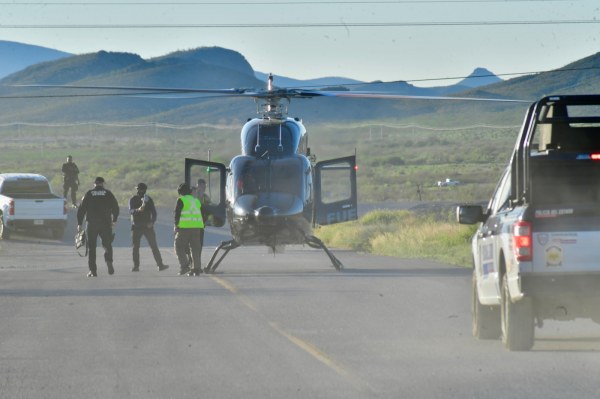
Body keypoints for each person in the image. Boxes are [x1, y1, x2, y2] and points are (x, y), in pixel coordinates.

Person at [77, 177, 119, 277]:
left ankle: (93, 271)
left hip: (92, 224)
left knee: (92, 248)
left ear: (94, 184)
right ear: (103, 184)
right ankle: (109, 260)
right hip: (105, 223)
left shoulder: (89, 193)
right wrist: (114, 219)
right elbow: (115, 207)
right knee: (107, 244)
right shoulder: (108, 193)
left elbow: (81, 209)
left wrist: (79, 223)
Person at [128, 183, 169, 272]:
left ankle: (160, 265)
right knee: (137, 247)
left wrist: (152, 222)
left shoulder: (148, 199)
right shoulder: (133, 199)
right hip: (137, 226)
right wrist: (138, 209)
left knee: (152, 246)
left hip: (146, 226)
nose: (141, 191)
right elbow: (131, 211)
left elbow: (154, 213)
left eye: (142, 190)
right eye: (140, 190)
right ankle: (136, 266)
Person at [173, 183, 204, 276]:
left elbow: (177, 214)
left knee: (178, 246)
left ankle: (184, 266)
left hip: (185, 227)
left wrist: (176, 225)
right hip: (197, 227)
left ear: (180, 192)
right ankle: (196, 269)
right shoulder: (196, 201)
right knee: (195, 248)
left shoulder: (181, 200)